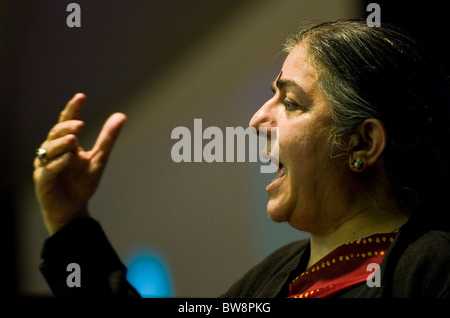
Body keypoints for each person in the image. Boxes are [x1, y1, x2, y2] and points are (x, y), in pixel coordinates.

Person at [33, 19, 450, 298]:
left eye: (290, 102)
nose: (256, 120)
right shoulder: (270, 279)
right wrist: (69, 223)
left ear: (363, 142)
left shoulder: (433, 270)